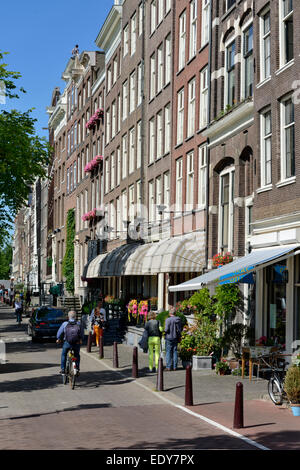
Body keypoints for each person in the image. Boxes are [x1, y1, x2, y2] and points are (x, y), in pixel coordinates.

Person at [56, 311, 83, 375]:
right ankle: (77, 369)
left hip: (67, 343)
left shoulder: (65, 323)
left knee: (64, 354)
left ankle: (63, 369)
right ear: (75, 317)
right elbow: (82, 334)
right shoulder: (79, 323)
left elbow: (59, 333)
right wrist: (81, 339)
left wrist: (58, 339)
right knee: (77, 355)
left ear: (68, 317)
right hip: (76, 343)